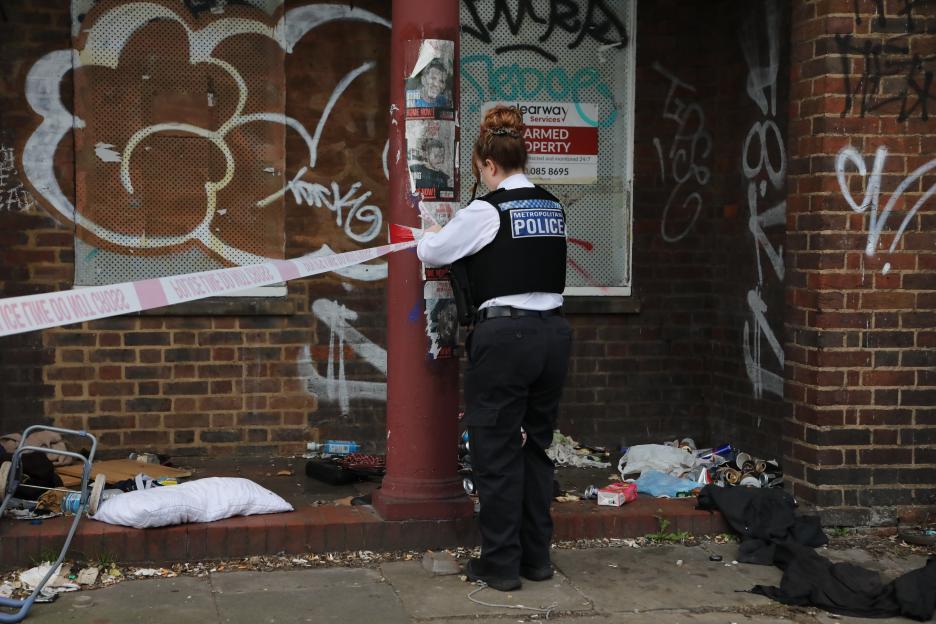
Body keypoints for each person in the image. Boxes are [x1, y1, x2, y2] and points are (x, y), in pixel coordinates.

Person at [417, 106, 571, 592]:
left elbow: (434, 252)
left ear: (488, 165)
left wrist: (428, 234)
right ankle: (535, 558)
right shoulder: (553, 206)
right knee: (536, 449)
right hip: (553, 336)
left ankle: (501, 564)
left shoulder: (487, 209)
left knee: (496, 452)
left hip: (506, 338)